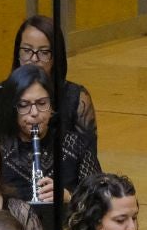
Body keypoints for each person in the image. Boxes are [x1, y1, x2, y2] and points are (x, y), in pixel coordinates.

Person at [0, 63, 102, 205]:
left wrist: (69, 198)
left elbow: (100, 203)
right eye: (24, 105)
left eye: (42, 103)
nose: (34, 113)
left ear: (52, 106)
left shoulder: (77, 145)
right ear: (12, 109)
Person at [8, 14, 97, 166]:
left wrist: (65, 191)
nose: (34, 59)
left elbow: (90, 168)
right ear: (17, 53)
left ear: (56, 57)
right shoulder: (0, 95)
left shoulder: (75, 98)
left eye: (44, 52)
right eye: (27, 50)